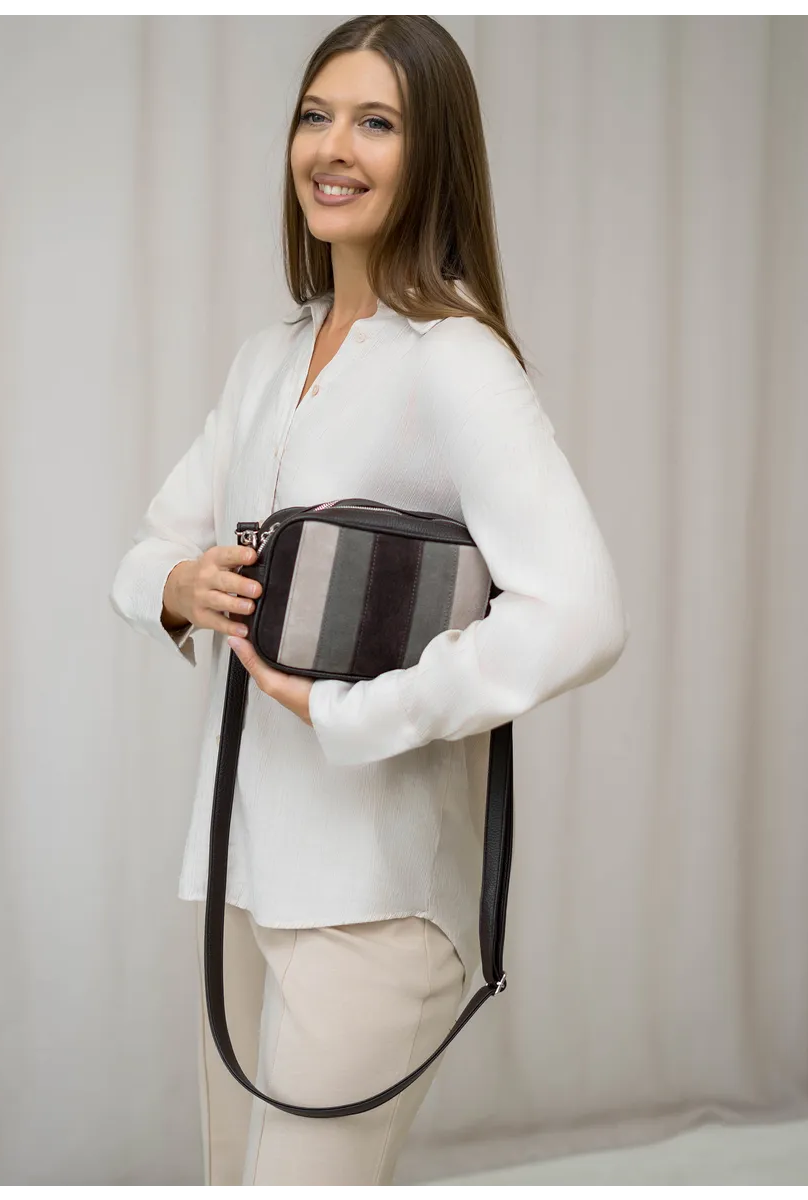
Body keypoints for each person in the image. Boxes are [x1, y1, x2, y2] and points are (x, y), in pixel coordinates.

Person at [108, 12, 631, 1190]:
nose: (332, 147)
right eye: (316, 115)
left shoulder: (457, 362)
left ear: (432, 152)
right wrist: (179, 587)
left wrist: (357, 710)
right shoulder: (267, 359)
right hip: (240, 870)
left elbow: (582, 613)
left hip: (373, 900)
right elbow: (149, 550)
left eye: (377, 122)